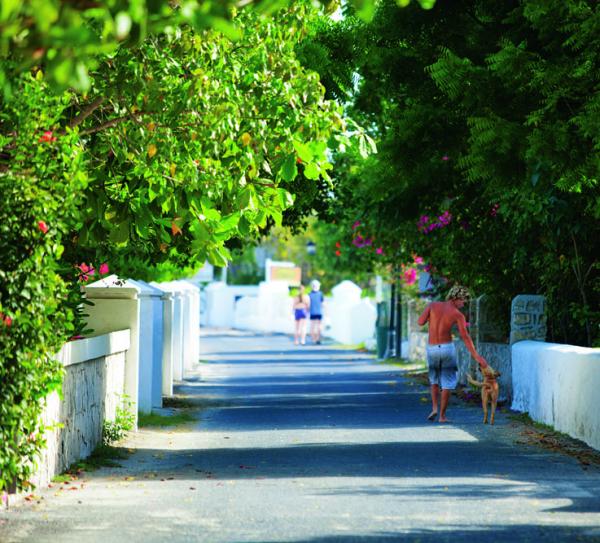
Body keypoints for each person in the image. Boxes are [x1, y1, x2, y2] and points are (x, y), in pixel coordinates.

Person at [417, 285, 488, 423]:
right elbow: (466, 337)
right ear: (456, 298)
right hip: (446, 348)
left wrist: (432, 320)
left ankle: (434, 408)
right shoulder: (457, 315)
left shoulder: (432, 305)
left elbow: (420, 322)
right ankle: (442, 416)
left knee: (434, 379)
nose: (463, 304)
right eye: (463, 301)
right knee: (448, 383)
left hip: (432, 348)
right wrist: (476, 356)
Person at [308, 279, 324, 344]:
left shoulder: (309, 294)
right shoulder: (320, 294)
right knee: (319, 326)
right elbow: (323, 303)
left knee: (313, 326)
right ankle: (318, 339)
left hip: (312, 312)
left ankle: (314, 339)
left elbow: (308, 304)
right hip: (319, 312)